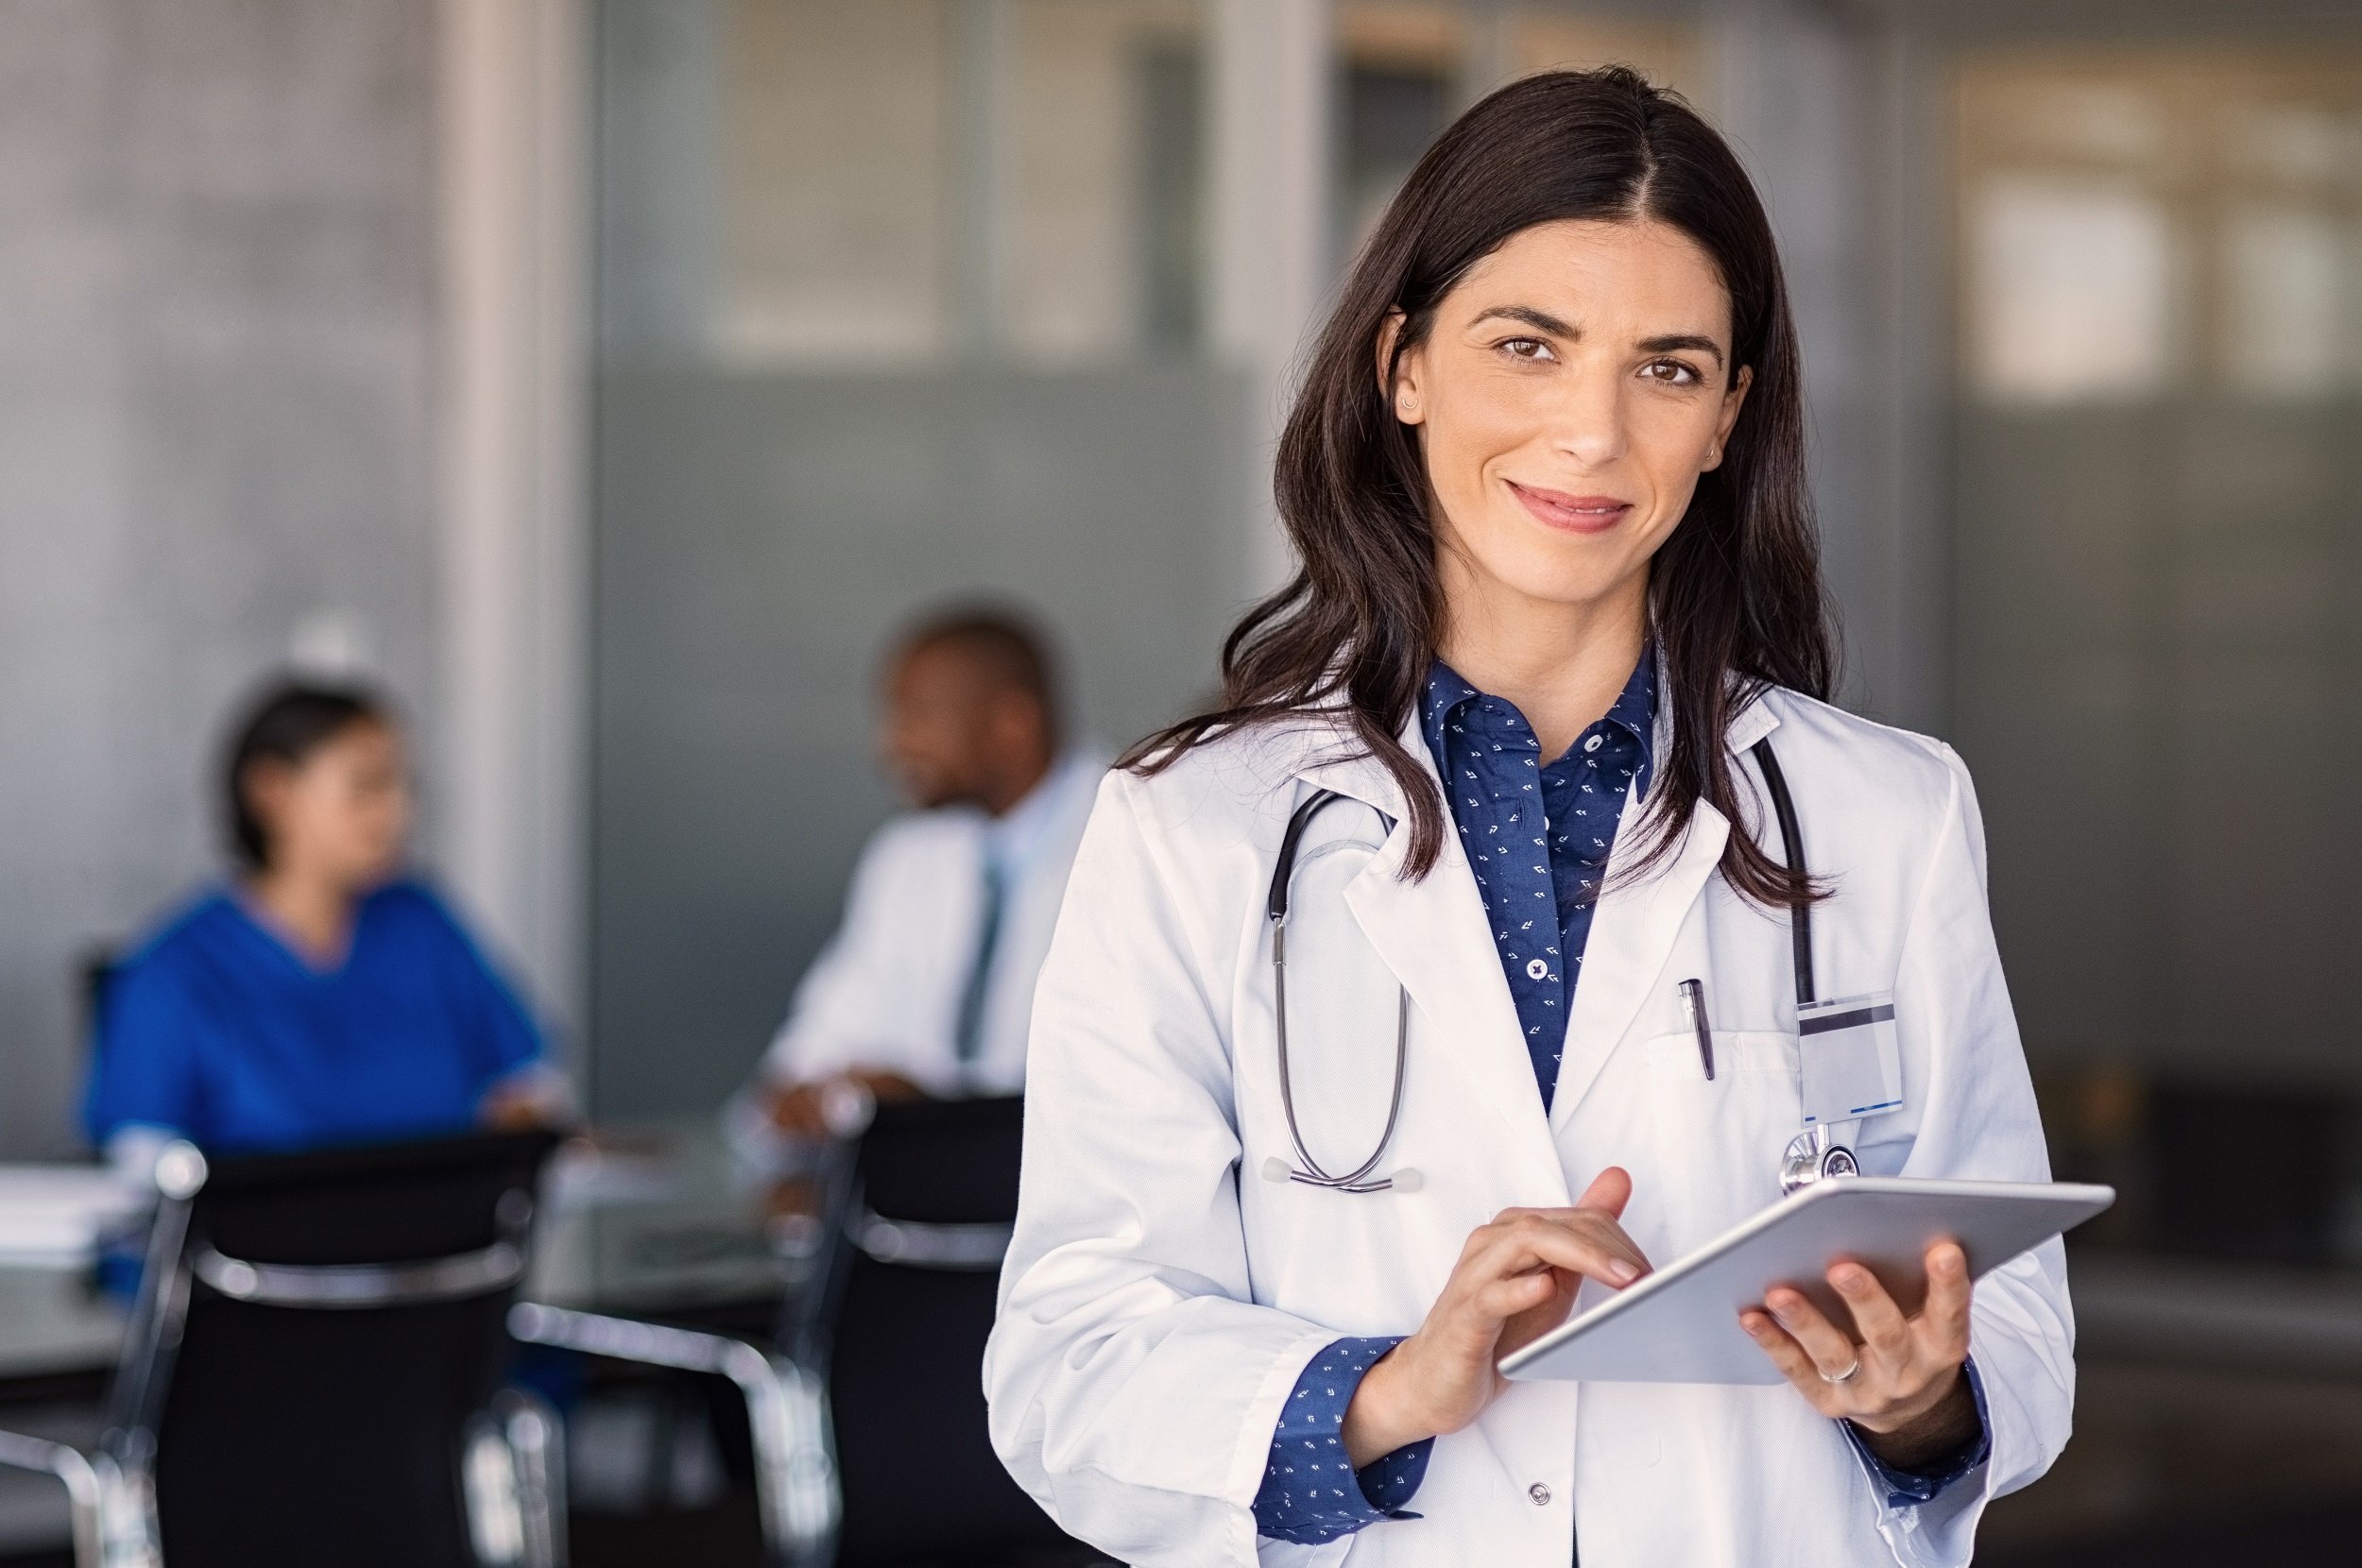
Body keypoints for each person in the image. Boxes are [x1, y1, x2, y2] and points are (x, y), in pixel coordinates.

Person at [984, 69, 2069, 1568]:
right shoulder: (1196, 829)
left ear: (1727, 420)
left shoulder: (1887, 814)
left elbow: (2013, 1314)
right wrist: (1381, 1393)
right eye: (1529, 347)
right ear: (1404, 364)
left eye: (1669, 369)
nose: (1592, 433)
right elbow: (1070, 1358)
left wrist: (1918, 1400)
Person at [84, 681, 558, 1168]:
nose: (398, 813)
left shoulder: (422, 926)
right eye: (366, 787)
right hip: (253, 1245)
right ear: (273, 791)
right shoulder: (173, 973)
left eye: (403, 786)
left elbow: (525, 1083)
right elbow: (143, 1164)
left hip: (446, 1239)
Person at [734, 606, 1104, 1145]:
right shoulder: (907, 857)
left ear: (1012, 725)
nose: (892, 746)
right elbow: (810, 1053)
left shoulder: (1137, 843)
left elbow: (1112, 1099)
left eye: (918, 718)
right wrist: (809, 1096)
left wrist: (929, 1111)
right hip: (910, 1211)